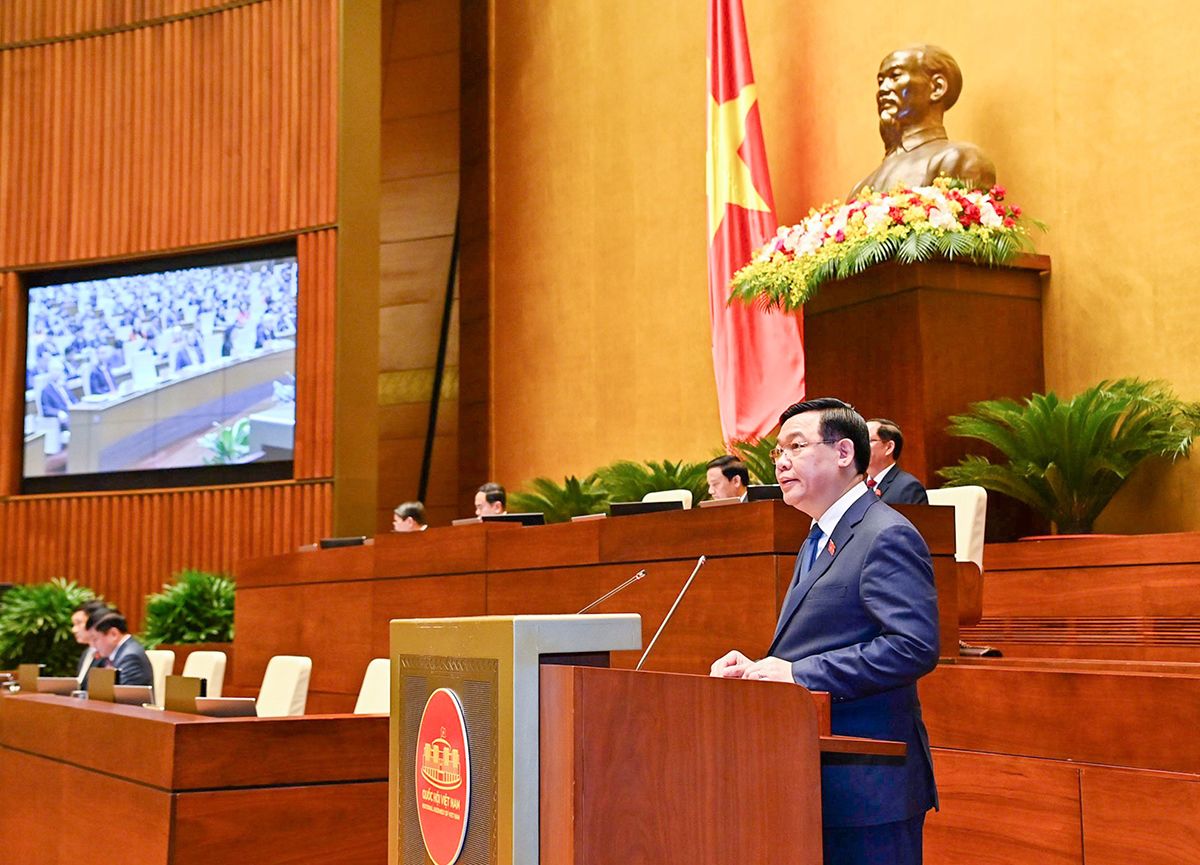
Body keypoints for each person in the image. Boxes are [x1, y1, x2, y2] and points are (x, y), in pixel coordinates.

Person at [710, 397, 939, 865]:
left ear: (843, 453)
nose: (781, 462)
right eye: (778, 451)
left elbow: (912, 646)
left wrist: (797, 674)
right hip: (821, 781)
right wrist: (761, 669)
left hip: (870, 787)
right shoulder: (817, 537)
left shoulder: (885, 533)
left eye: (796, 446)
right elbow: (826, 639)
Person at [850, 44, 996, 199]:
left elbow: (963, 212)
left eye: (895, 76)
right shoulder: (860, 188)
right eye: (880, 81)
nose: (883, 89)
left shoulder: (959, 159)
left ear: (937, 87)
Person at [866, 418, 928, 505]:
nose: (858, 446)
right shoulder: (858, 488)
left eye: (867, 440)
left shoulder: (909, 488)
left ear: (889, 447)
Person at [86, 608, 153, 687]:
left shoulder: (130, 657)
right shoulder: (116, 654)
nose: (92, 645)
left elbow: (123, 693)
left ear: (114, 634)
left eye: (95, 639)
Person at [71, 599, 108, 686]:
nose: (74, 630)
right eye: (73, 624)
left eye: (79, 623)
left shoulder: (107, 654)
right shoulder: (86, 652)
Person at [39, 358, 77, 429]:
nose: (59, 373)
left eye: (60, 370)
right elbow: (46, 409)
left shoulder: (64, 386)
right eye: (56, 370)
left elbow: (74, 400)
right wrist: (58, 412)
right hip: (64, 419)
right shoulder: (46, 390)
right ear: (50, 371)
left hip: (74, 413)